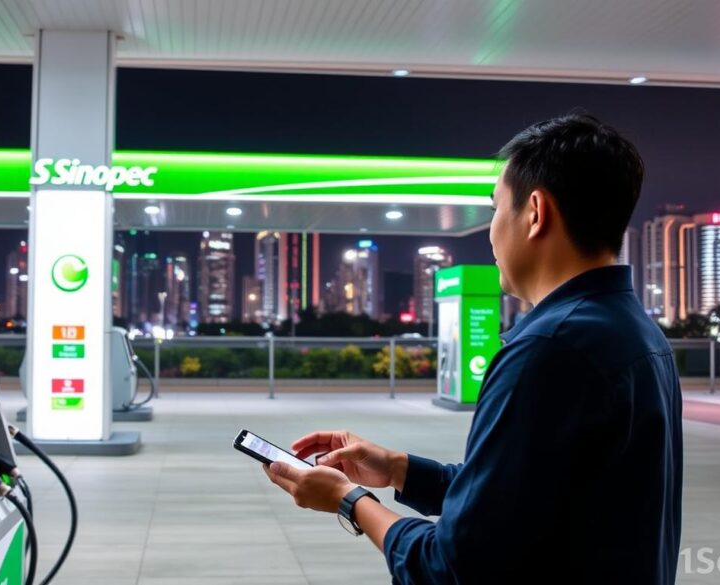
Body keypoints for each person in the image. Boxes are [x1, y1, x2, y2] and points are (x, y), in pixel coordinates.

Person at [263, 113, 683, 584]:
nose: (490, 231)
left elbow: (454, 568)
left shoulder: (547, 349)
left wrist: (349, 500)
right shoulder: (637, 333)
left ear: (536, 212)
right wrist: (398, 468)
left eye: (495, 208)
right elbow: (525, 496)